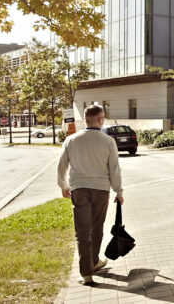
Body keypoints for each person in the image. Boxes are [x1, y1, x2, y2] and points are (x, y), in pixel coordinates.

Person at [57, 104, 124, 286]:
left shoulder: (71, 140)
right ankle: (93, 261)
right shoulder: (108, 141)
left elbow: (61, 165)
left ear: (86, 119)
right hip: (101, 189)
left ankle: (86, 273)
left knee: (82, 232)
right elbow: (114, 169)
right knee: (96, 228)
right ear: (100, 120)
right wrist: (118, 191)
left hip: (79, 189)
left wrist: (63, 185)